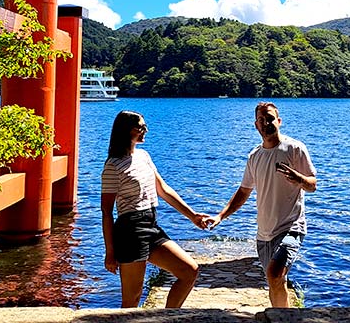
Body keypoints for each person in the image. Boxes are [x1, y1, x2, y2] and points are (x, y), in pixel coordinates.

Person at [205, 101, 317, 308]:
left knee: (275, 274)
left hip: (291, 227)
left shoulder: (294, 149)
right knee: (274, 281)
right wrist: (220, 216)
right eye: (261, 120)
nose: (266, 123)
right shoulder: (254, 156)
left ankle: (284, 319)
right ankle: (280, 315)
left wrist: (299, 179)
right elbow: (243, 191)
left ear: (279, 121)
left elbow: (312, 185)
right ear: (256, 126)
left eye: (270, 118)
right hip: (264, 234)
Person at [101, 110, 209, 308]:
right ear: (126, 131)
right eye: (141, 127)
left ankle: (167, 318)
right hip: (130, 231)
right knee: (132, 300)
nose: (146, 130)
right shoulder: (113, 165)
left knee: (189, 271)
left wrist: (192, 216)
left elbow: (164, 190)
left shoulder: (144, 156)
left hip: (151, 226)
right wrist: (110, 252)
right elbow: (106, 212)